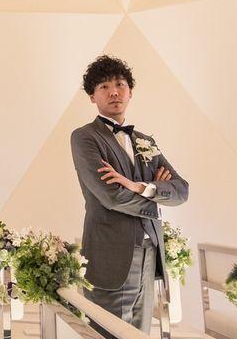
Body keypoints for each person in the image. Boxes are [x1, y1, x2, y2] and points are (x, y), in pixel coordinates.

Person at [70, 55, 188, 334]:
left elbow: (181, 190)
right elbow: (110, 196)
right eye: (104, 86)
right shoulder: (85, 137)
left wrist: (139, 187)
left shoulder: (146, 141)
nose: (114, 92)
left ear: (130, 91)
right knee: (109, 332)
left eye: (120, 84)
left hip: (150, 252)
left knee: (140, 332)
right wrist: (156, 201)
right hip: (110, 254)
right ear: (92, 96)